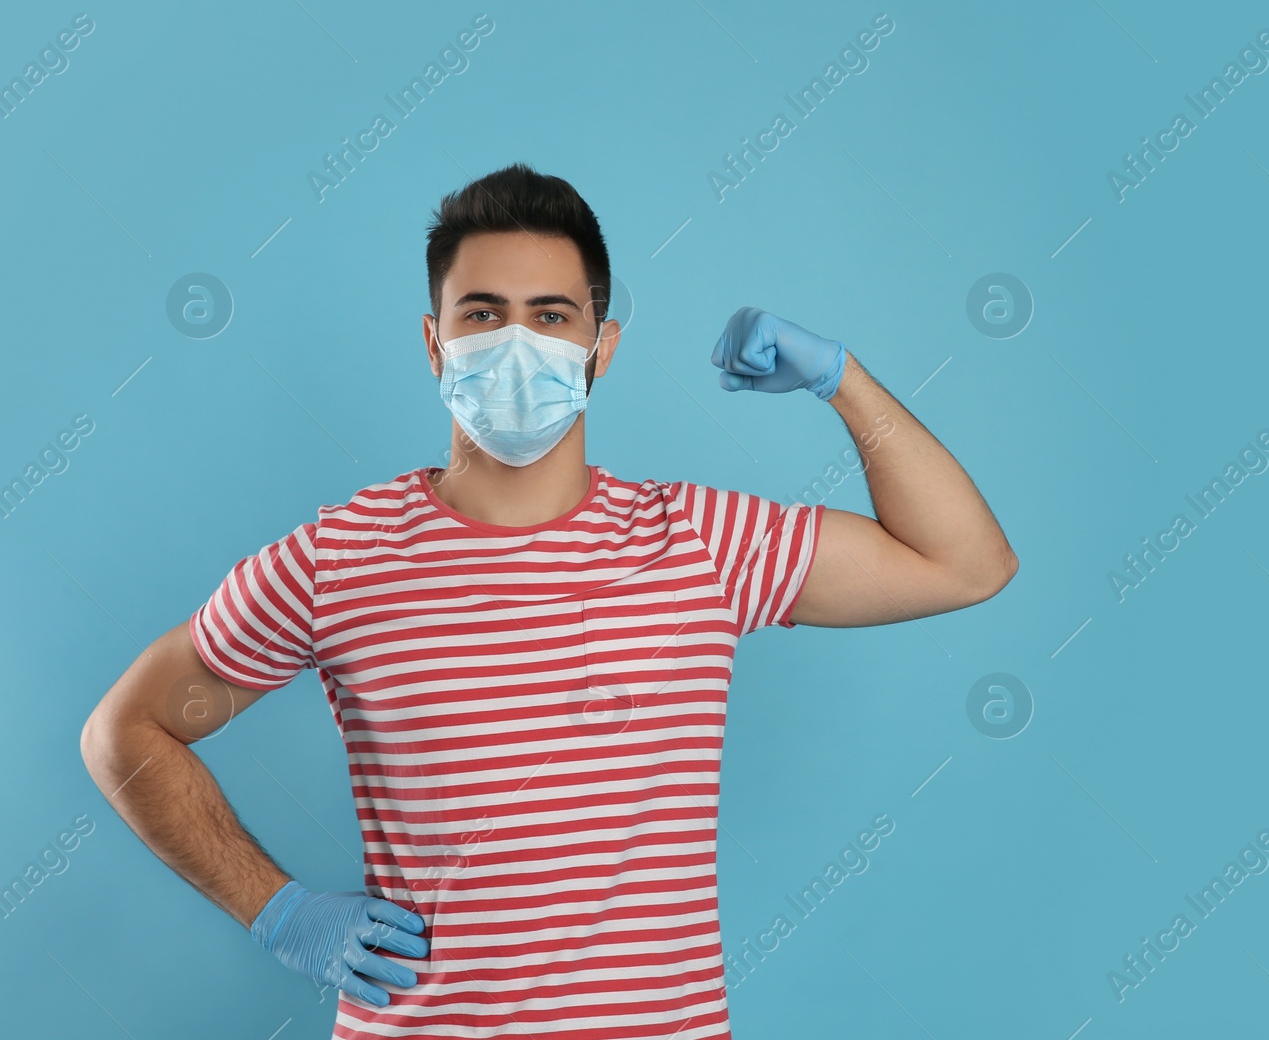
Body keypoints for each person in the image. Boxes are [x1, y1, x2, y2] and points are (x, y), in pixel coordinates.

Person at [79, 163, 1018, 1039]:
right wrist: (277, 910)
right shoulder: (341, 557)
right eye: (483, 312)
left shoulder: (701, 543)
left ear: (600, 348)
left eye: (553, 316)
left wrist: (840, 382)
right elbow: (126, 732)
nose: (516, 343)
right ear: (433, 339)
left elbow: (964, 563)